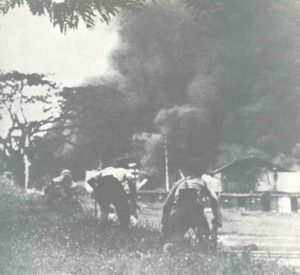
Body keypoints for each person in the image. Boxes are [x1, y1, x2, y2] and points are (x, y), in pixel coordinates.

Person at [161, 168, 222, 250]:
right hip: (194, 211)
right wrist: (218, 217)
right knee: (203, 238)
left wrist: (164, 225)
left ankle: (173, 251)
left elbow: (166, 205)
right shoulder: (203, 182)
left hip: (177, 212)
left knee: (175, 241)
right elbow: (214, 199)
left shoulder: (178, 183)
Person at [87, 158, 137, 230]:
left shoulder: (107, 169)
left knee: (104, 208)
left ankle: (102, 226)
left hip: (102, 185)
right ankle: (124, 227)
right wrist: (132, 195)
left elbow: (90, 181)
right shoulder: (124, 170)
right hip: (114, 184)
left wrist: (97, 190)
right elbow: (130, 179)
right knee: (123, 208)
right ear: (124, 166)